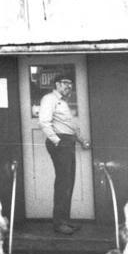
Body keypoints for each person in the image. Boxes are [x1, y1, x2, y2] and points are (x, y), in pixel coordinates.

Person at [38, 74, 90, 235]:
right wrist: (57, 141)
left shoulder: (63, 102)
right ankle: (59, 223)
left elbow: (70, 125)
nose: (69, 86)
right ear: (57, 84)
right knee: (63, 183)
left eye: (71, 84)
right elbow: (43, 122)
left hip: (68, 142)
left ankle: (65, 220)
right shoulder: (49, 99)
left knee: (68, 182)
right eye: (66, 83)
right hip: (60, 142)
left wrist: (81, 140)